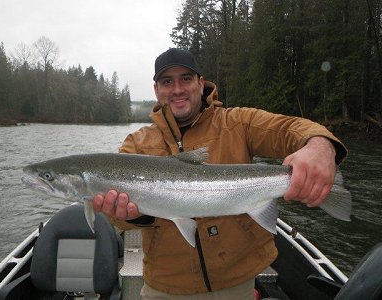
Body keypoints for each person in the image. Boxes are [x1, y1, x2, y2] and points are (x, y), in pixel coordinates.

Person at [93, 48, 348, 299]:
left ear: (200, 83)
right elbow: (121, 221)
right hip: (166, 288)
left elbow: (290, 128)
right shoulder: (135, 145)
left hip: (238, 284)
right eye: (167, 81)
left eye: (186, 79)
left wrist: (320, 145)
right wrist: (133, 217)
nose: (177, 89)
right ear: (156, 90)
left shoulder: (238, 123)